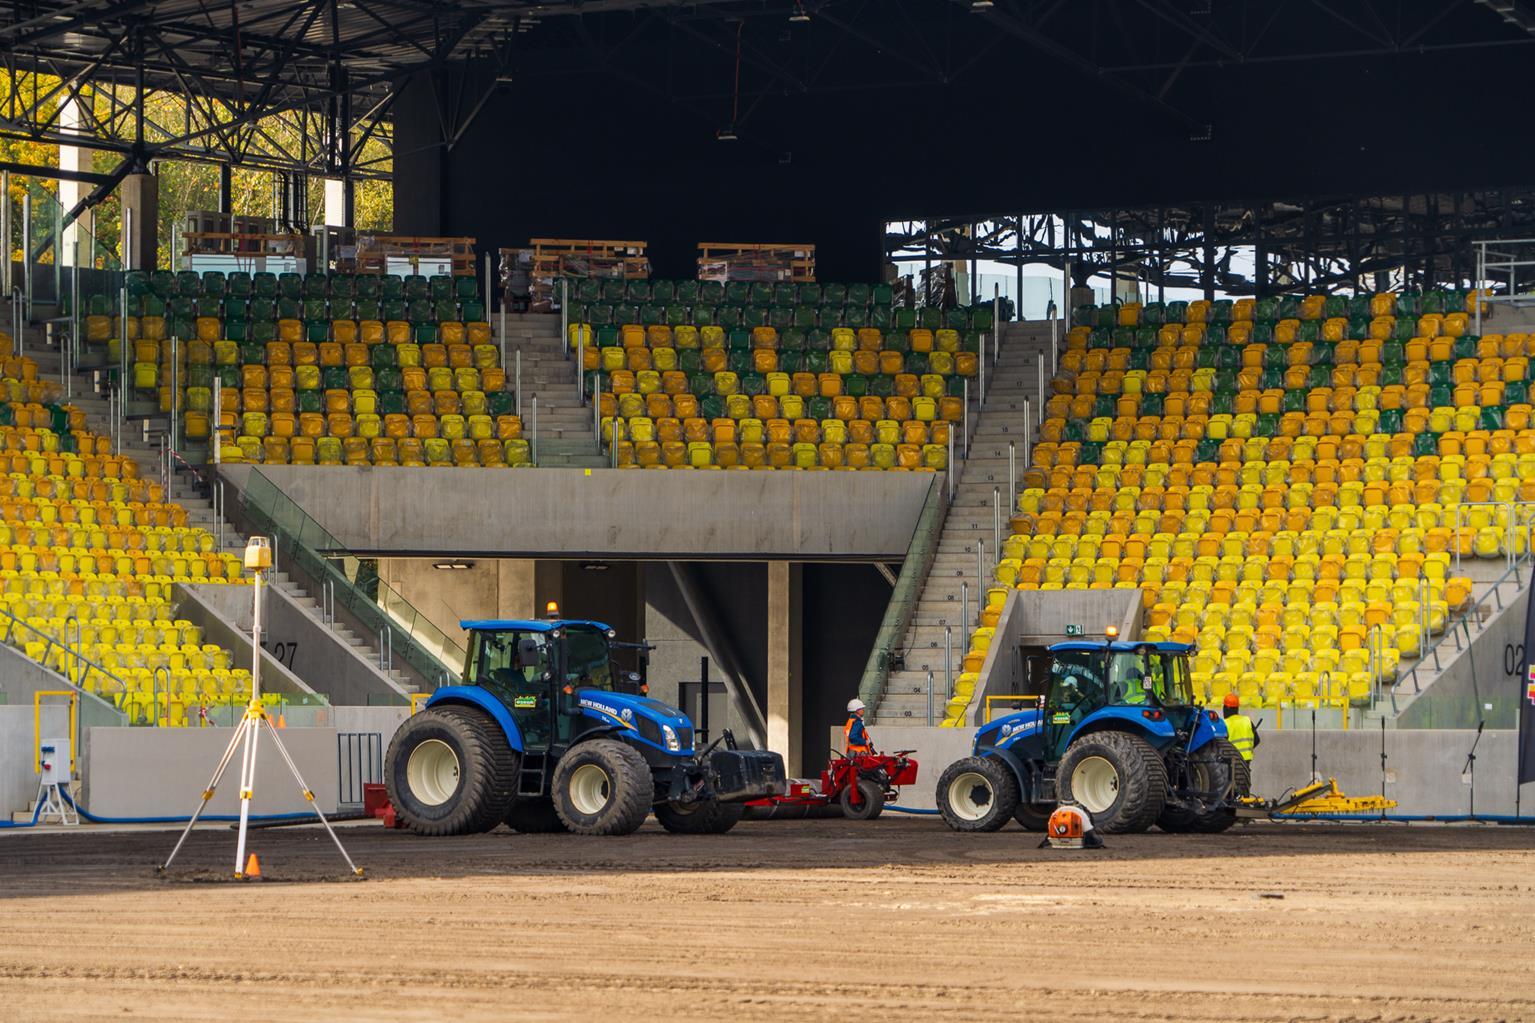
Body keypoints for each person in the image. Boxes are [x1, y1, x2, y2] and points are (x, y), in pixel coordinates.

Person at [1223, 693, 1258, 761]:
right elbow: (1257, 740)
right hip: (1246, 760)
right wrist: (1247, 750)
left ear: (1226, 708)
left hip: (1231, 760)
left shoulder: (1225, 723)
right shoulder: (1247, 720)